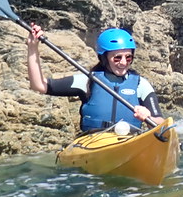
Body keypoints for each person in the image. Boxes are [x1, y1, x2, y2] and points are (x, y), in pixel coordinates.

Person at [26, 24, 165, 133]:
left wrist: (149, 118)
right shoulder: (87, 80)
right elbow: (39, 85)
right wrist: (33, 47)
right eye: (117, 58)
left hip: (130, 139)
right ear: (104, 58)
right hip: (94, 141)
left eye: (128, 57)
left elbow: (160, 123)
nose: (123, 62)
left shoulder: (141, 84)